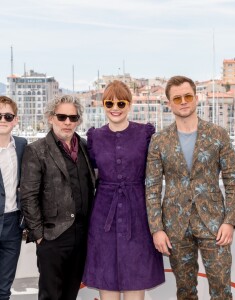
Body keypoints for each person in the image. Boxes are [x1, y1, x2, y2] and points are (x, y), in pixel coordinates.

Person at [146, 75, 235, 300]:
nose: (183, 101)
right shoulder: (159, 140)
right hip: (175, 227)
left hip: (214, 224)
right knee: (185, 292)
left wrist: (229, 221)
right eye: (177, 98)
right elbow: (152, 188)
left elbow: (232, 181)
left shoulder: (218, 134)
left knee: (221, 290)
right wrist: (156, 229)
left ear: (196, 98)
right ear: (169, 104)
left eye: (188, 96)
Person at [83, 80, 165, 300]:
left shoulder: (144, 134)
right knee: (106, 284)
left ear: (129, 104)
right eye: (109, 102)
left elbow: (158, 172)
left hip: (137, 215)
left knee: (135, 285)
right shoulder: (95, 137)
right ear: (103, 105)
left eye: (121, 102)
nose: (115, 107)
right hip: (103, 217)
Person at [20, 95, 95, 300]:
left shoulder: (87, 148)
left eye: (73, 117)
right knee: (51, 296)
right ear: (51, 118)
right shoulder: (36, 150)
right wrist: (39, 236)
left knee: (71, 294)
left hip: (82, 236)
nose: (68, 122)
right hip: (52, 237)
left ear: (78, 120)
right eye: (62, 117)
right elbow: (28, 195)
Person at [0, 96, 27, 300]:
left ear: (15, 120)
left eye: (7, 116)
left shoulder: (22, 145)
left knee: (4, 288)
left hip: (12, 224)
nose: (2, 120)